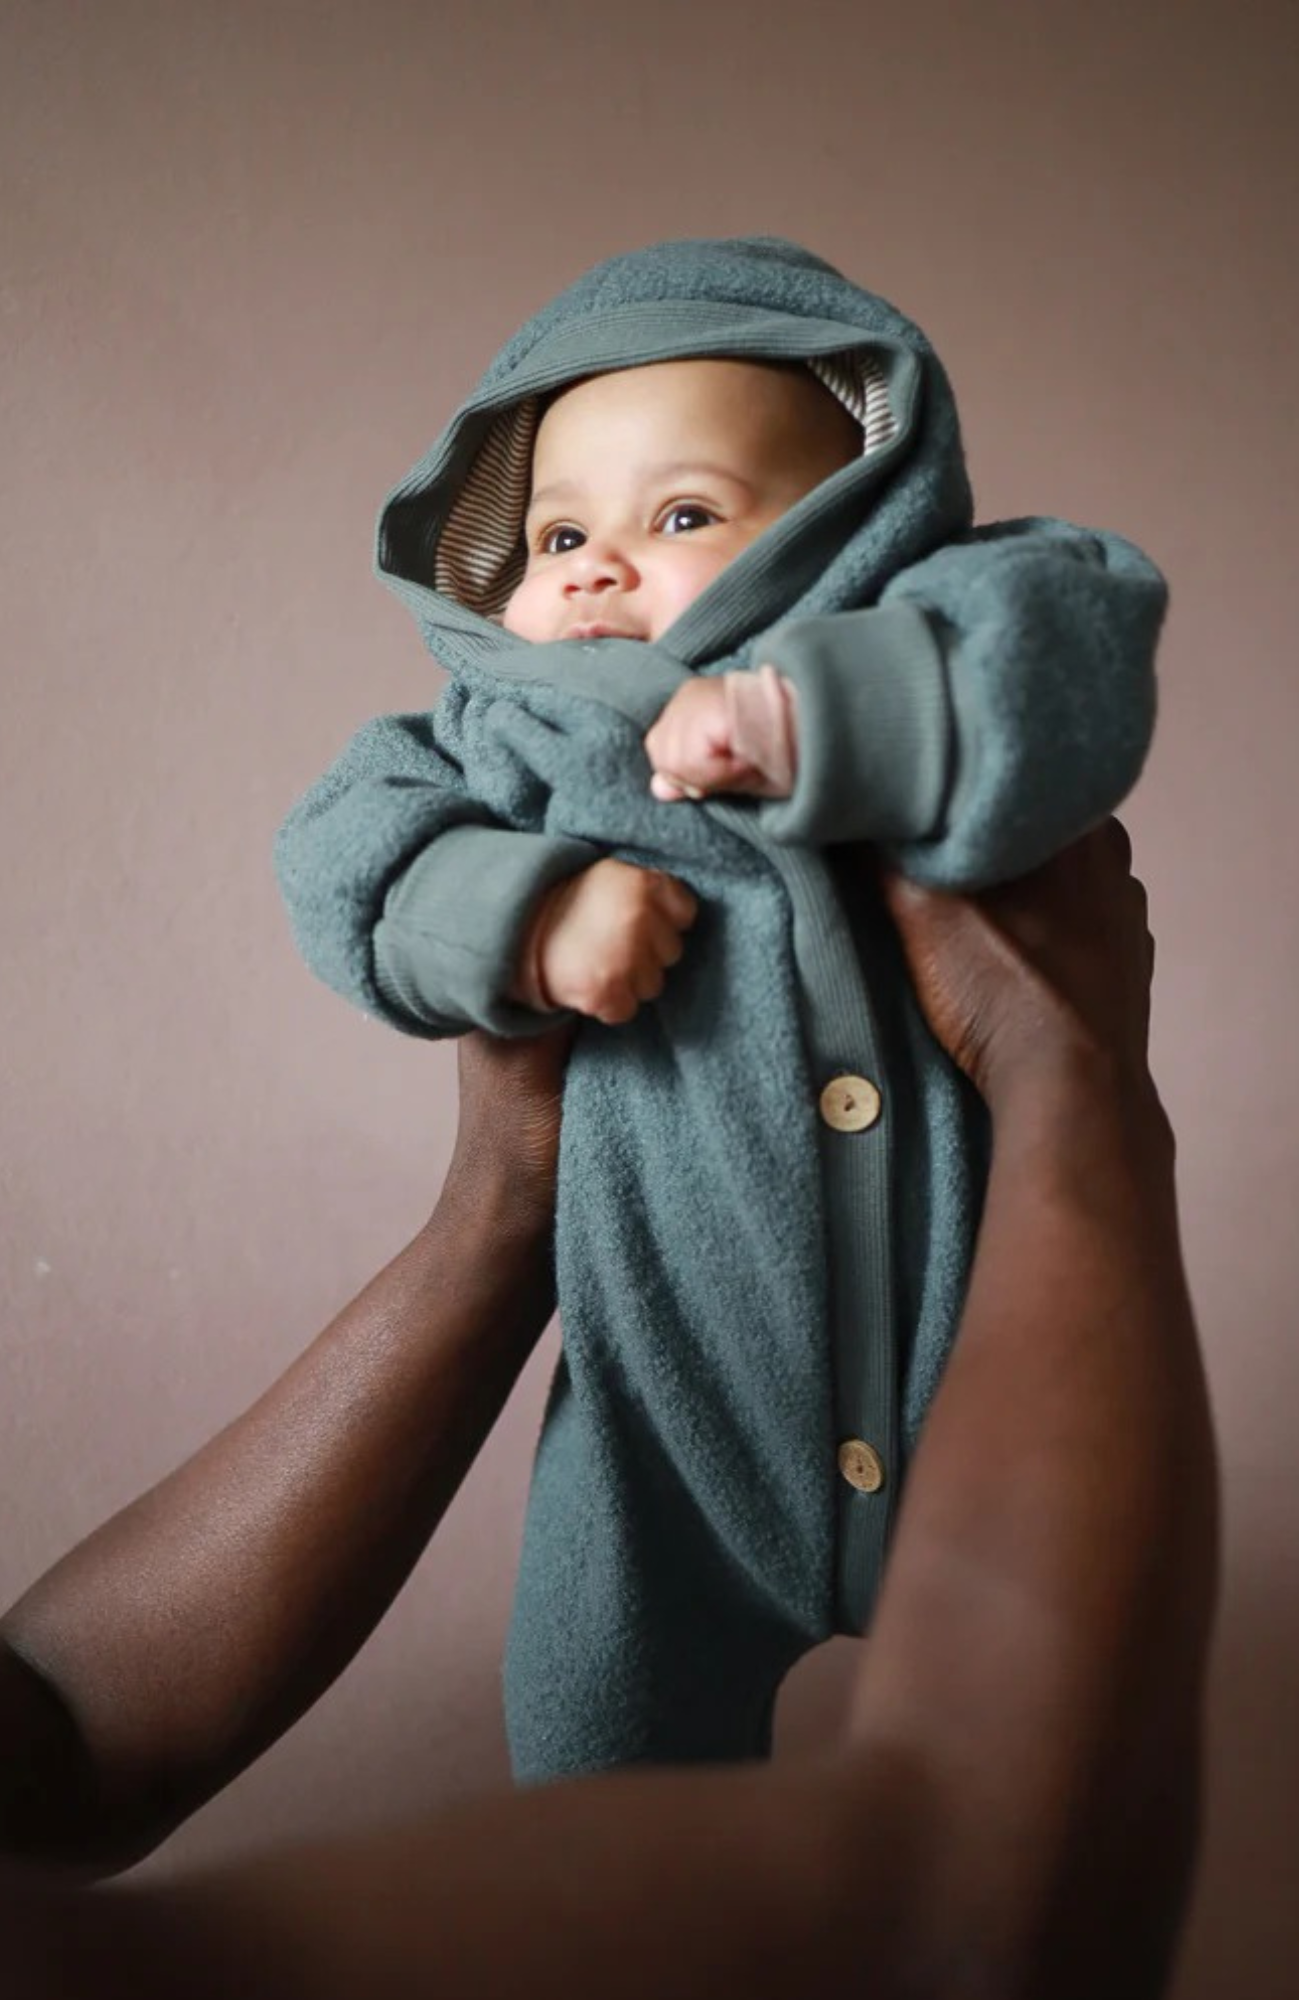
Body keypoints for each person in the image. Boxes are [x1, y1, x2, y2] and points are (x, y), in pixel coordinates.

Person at [1, 825, 1216, 1998]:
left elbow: (58, 1731)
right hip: (663, 1509)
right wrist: (1073, 1068)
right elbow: (986, 1909)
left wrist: (504, 1202)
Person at [274, 235, 1169, 1782]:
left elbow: (1073, 642)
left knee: (1042, 1787)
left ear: (844, 518)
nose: (596, 565)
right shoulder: (513, 734)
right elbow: (340, 847)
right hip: (664, 1439)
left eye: (682, 514)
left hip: (988, 1393)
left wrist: (812, 712)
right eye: (555, 532)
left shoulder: (934, 614)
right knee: (587, 1756)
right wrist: (526, 912)